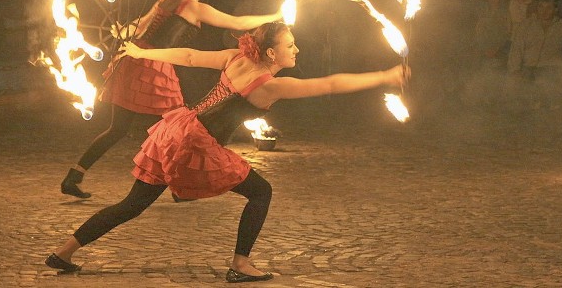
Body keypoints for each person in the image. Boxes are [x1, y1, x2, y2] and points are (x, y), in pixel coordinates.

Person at [45, 22, 409, 282]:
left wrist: (142, 51)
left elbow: (187, 56)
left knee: (132, 205)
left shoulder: (236, 59)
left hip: (177, 129)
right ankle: (241, 263)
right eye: (291, 45)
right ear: (271, 52)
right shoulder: (269, 86)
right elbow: (329, 84)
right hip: (195, 142)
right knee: (261, 191)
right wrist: (385, 76)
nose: (297, 49)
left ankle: (63, 252)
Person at [60, 0, 283, 199]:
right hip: (154, 68)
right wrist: (277, 15)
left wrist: (122, 31)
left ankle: (74, 175)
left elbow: (137, 28)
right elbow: (237, 23)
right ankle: (183, 188)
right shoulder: (193, 6)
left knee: (119, 128)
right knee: (184, 128)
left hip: (133, 60)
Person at [506, 0, 562, 110]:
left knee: (549, 98)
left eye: (549, 8)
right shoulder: (526, 25)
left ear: (556, 9)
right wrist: (515, 70)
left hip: (552, 69)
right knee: (513, 90)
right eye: (541, 7)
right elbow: (516, 50)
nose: (544, 11)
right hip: (529, 68)